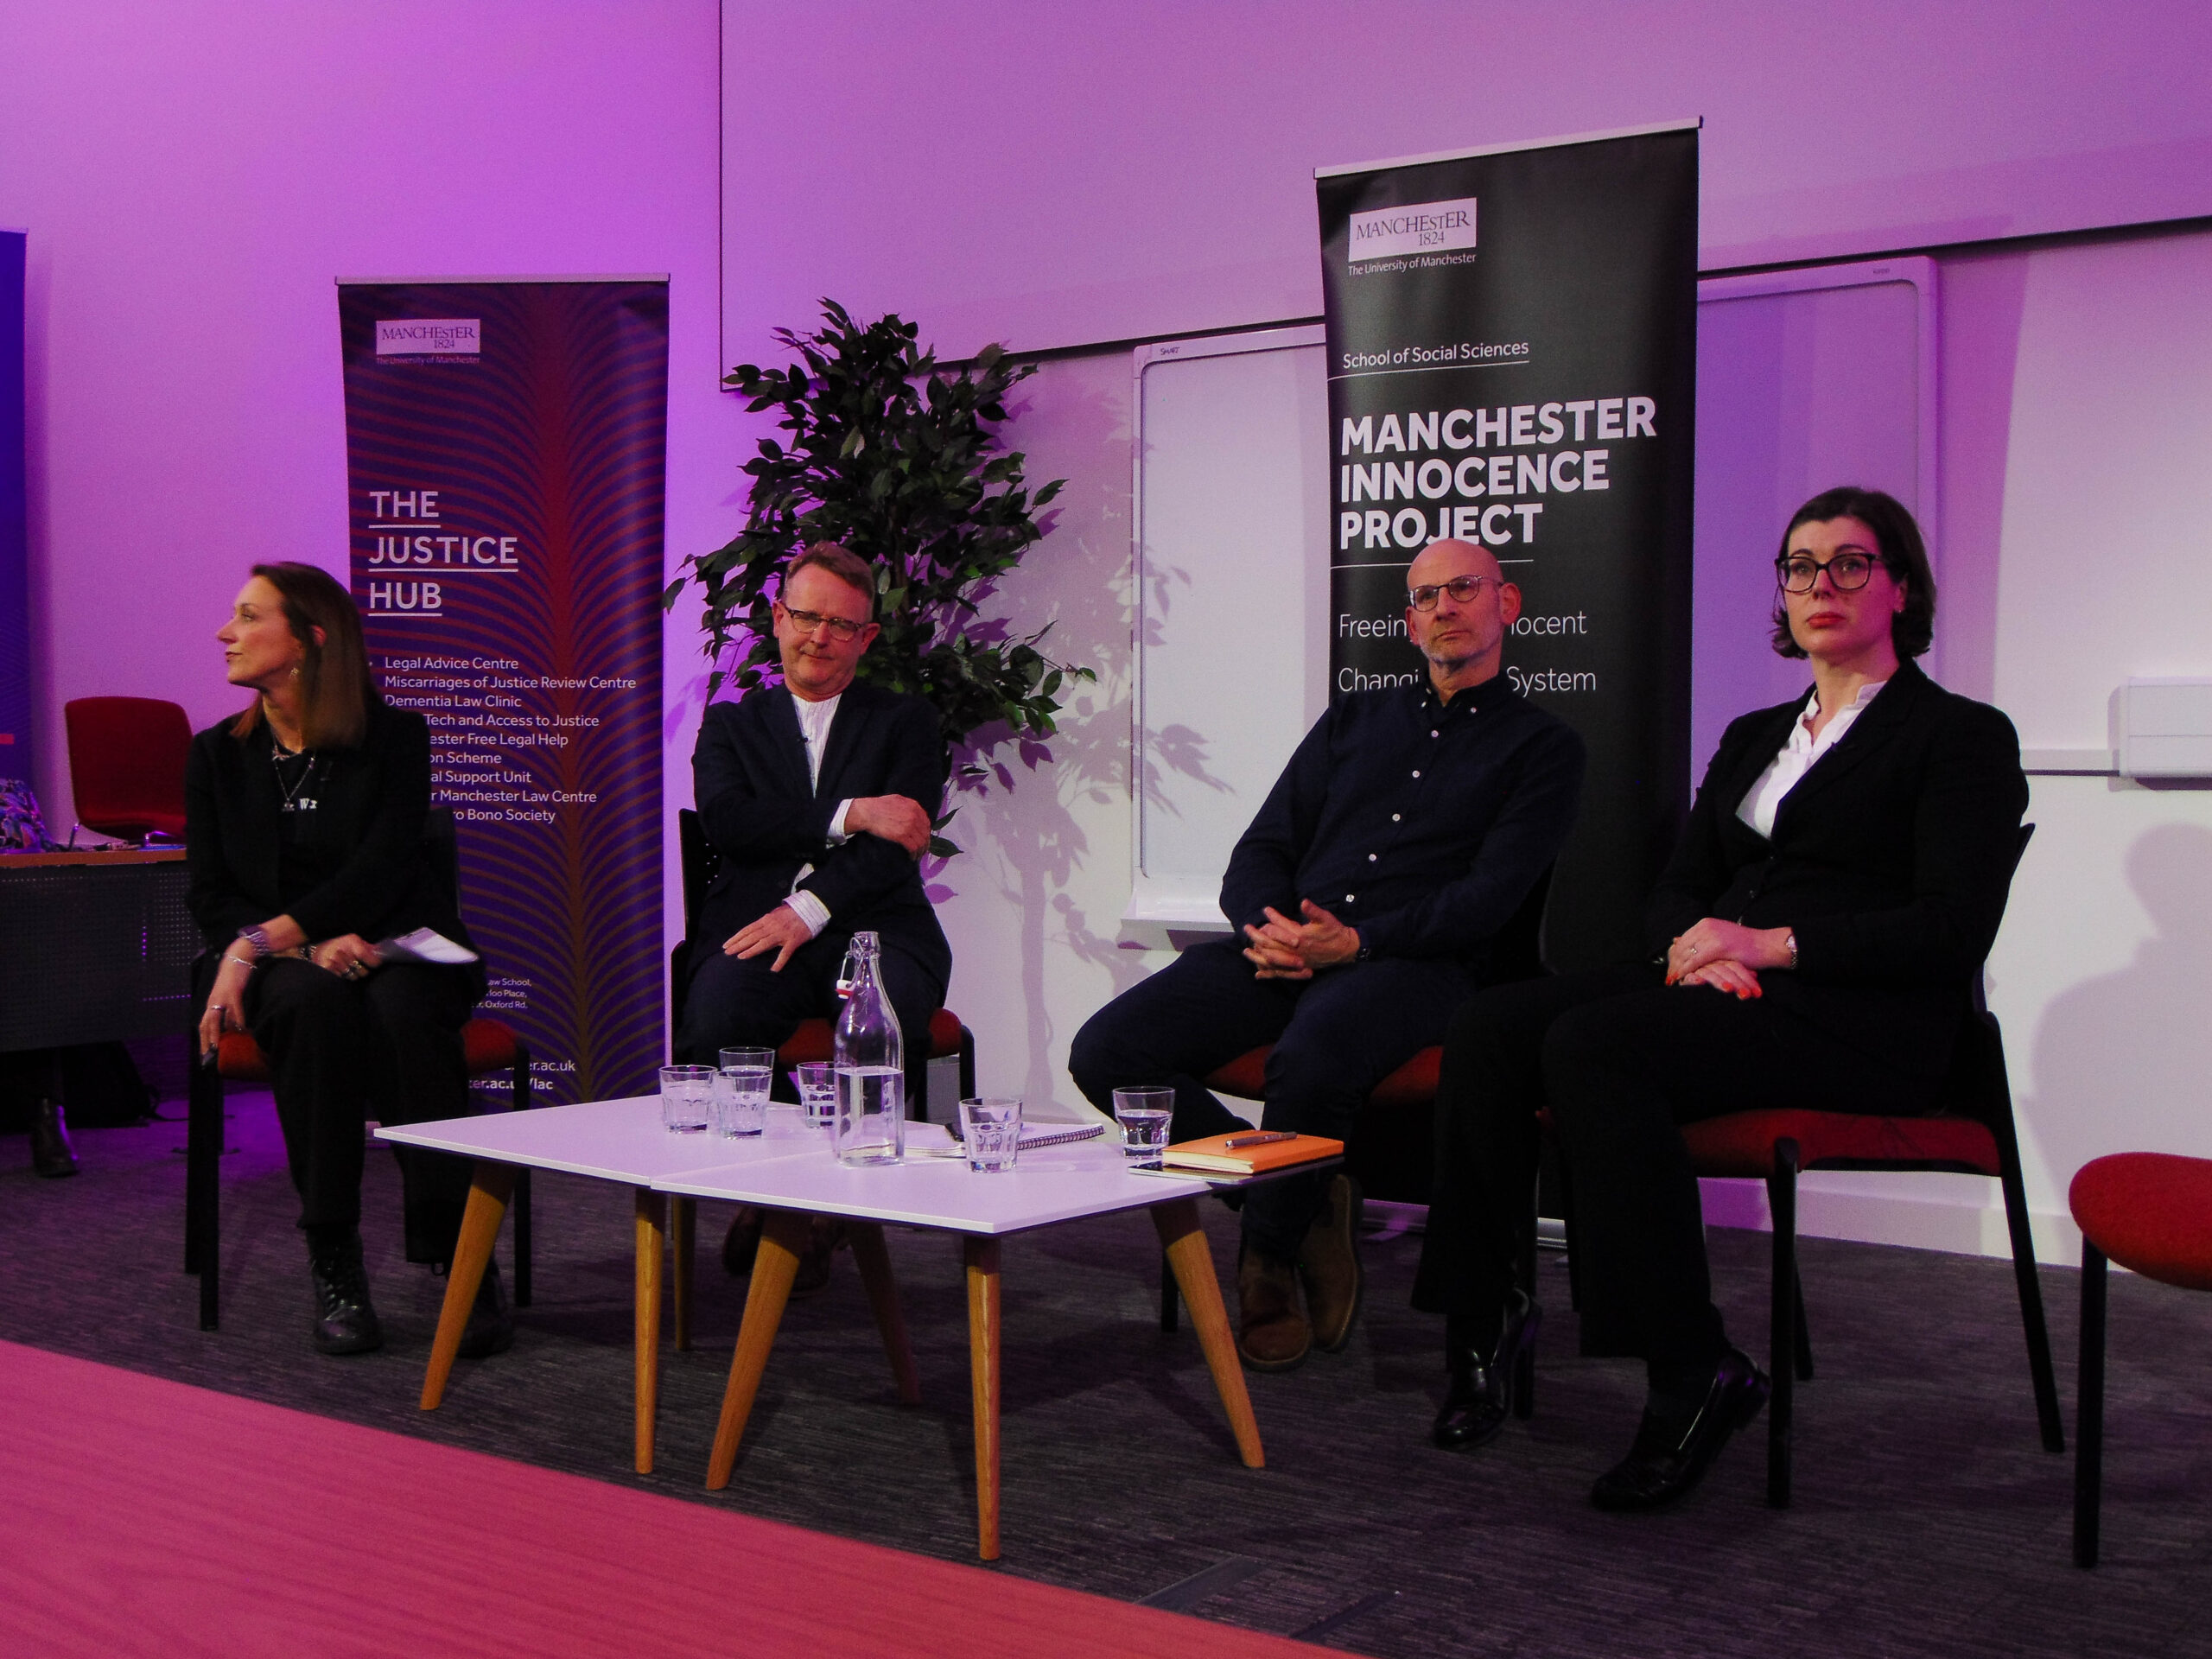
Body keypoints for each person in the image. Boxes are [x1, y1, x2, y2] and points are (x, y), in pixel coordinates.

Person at [1412, 486, 2028, 1510]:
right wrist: (1695, 947)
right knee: (1489, 1026)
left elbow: (1950, 927)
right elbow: (1679, 883)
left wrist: (1774, 945)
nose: (1818, 584)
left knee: (1598, 1049)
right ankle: (1483, 1322)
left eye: (1848, 563)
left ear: (1901, 585)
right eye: (1798, 567)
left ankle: (1689, 1368)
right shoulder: (1754, 735)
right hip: (1732, 989)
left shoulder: (1959, 736)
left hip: (1864, 1019)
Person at [1071, 538, 1585, 1372]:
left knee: (1313, 1057)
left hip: (1418, 965)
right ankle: (1296, 1199)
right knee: (1108, 1052)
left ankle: (1266, 1264)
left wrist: (1361, 942)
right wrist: (1264, 928)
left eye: (1463, 590)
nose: (1444, 608)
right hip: (1295, 948)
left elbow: (1487, 900)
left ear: (1507, 605)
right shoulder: (1355, 717)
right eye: (1426, 597)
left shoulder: (1545, 748)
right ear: (1408, 620)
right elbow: (1263, 846)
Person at [188, 563, 512, 1358]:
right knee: (309, 1003)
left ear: (308, 640)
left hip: (398, 938)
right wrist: (281, 944)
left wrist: (274, 935)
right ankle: (333, 1254)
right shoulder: (215, 757)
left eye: (247, 615)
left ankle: (457, 1254)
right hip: (277, 965)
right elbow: (211, 890)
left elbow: (386, 869)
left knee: (402, 1011)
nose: (225, 633)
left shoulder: (396, 738)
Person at [674, 541, 953, 1288]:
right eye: (805, 616)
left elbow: (900, 848)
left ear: (866, 638)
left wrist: (811, 905)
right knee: (717, 1010)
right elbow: (732, 823)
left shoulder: (907, 724)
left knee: (883, 1012)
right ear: (777, 618)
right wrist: (853, 812)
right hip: (756, 928)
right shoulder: (731, 724)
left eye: (840, 625)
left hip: (877, 927)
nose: (818, 637)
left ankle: (840, 1201)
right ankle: (763, 1191)